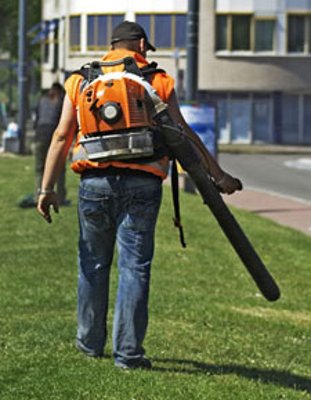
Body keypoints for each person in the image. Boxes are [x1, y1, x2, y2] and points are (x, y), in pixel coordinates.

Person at [37, 21, 242, 369]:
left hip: (94, 185)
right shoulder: (157, 80)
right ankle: (128, 354)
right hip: (143, 185)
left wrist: (46, 189)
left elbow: (61, 136)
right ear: (142, 45)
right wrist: (218, 175)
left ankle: (89, 343)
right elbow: (183, 133)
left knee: (93, 264)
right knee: (134, 268)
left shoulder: (80, 80)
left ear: (112, 45)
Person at [19, 83, 69, 208]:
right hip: (53, 135)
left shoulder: (42, 99)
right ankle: (61, 197)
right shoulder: (61, 101)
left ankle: (38, 196)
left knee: (39, 169)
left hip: (40, 135)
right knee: (60, 168)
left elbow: (36, 119)